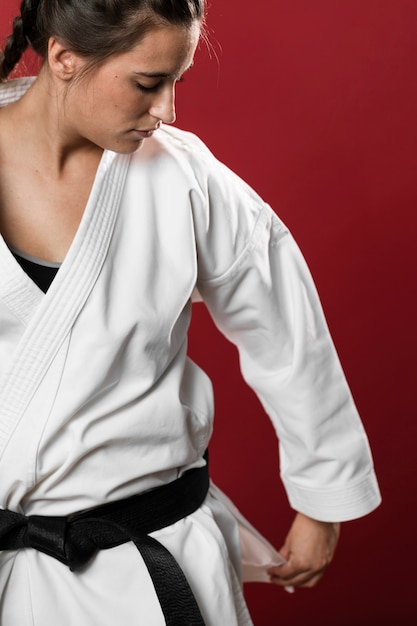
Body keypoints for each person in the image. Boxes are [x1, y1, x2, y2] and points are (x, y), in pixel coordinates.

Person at [0, 1, 381, 624]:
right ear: (65, 58)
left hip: (148, 554)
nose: (167, 111)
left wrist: (323, 496)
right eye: (148, 84)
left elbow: (285, 327)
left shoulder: (180, 176)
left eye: (176, 82)